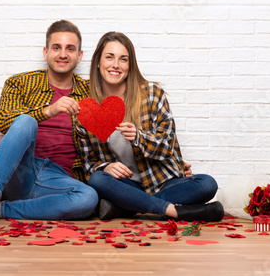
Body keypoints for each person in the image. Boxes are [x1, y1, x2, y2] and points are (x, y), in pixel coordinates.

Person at [0, 20, 98, 232]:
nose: (63, 54)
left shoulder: (91, 92)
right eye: (57, 47)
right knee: (25, 120)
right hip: (21, 170)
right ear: (46, 52)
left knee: (89, 198)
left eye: (70, 49)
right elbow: (4, 122)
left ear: (79, 56)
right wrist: (48, 111)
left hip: (58, 180)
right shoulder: (20, 83)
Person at [76, 31, 224, 222]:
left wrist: (139, 137)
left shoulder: (153, 94)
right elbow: (89, 166)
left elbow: (167, 147)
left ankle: (127, 208)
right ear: (98, 62)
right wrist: (106, 167)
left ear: (130, 65)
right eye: (109, 57)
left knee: (207, 184)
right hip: (127, 186)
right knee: (97, 180)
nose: (115, 65)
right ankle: (174, 212)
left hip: (163, 182)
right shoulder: (86, 110)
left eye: (123, 59)